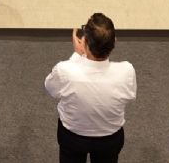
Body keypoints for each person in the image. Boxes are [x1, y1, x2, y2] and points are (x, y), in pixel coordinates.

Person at [44, 13, 136, 163]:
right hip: (110, 139)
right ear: (114, 42)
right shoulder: (127, 71)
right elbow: (130, 96)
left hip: (71, 137)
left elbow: (49, 88)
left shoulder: (64, 70)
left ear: (84, 41)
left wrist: (77, 55)